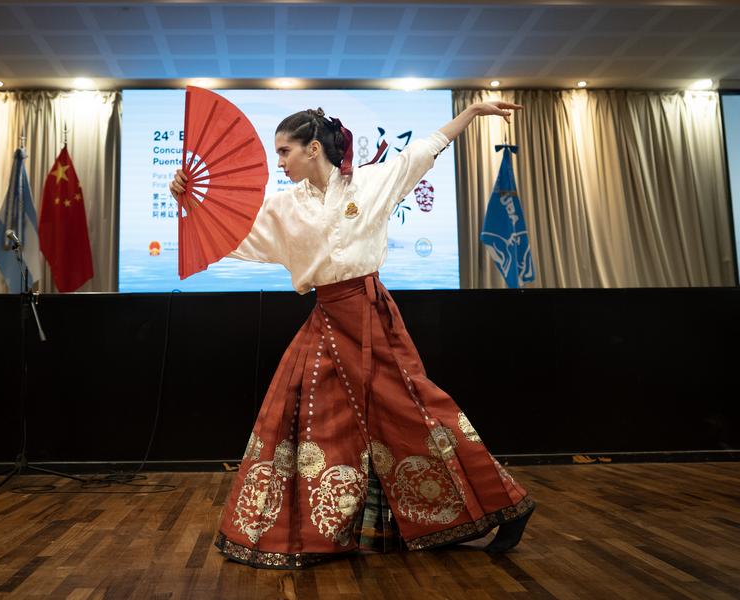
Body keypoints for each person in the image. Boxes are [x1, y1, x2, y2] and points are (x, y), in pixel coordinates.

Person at [170, 100, 534, 569]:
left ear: (313, 148)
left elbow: (424, 151)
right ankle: (320, 529)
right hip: (325, 317)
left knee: (418, 411)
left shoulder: (371, 181)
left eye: (284, 151)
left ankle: (508, 501)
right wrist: (189, 198)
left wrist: (472, 113)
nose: (278, 162)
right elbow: (230, 232)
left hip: (369, 316)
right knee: (301, 409)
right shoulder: (283, 207)